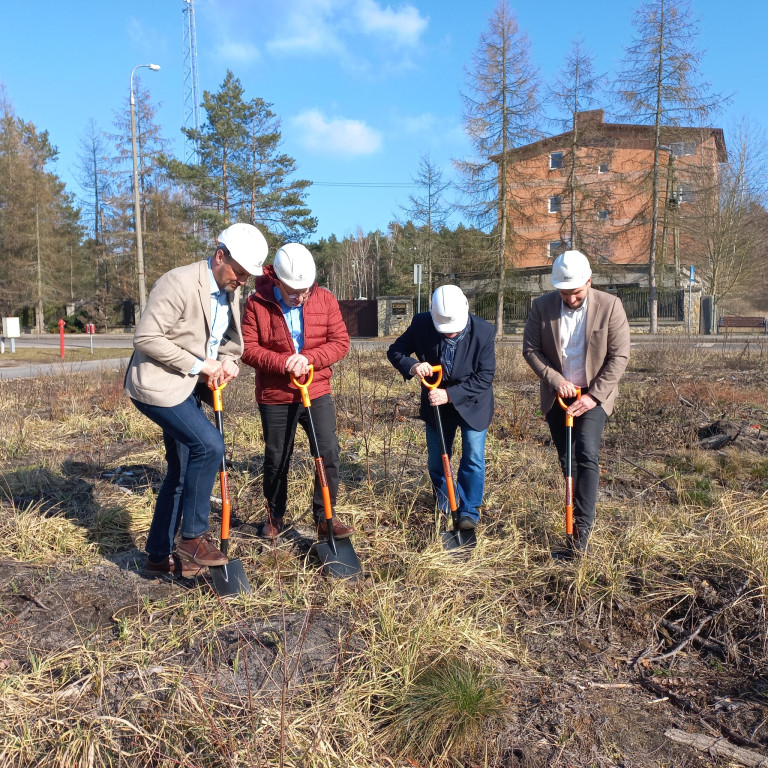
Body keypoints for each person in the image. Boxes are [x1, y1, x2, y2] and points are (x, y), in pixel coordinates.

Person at [124, 223, 268, 577]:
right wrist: (201, 365)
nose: (243, 282)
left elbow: (227, 340)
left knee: (182, 470)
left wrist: (229, 362)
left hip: (188, 387)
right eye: (239, 273)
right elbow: (146, 337)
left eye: (247, 276)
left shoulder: (230, 289)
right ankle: (192, 538)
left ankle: (158, 557)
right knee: (210, 445)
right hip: (158, 386)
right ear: (220, 256)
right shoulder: (178, 282)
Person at [240, 243, 353, 541]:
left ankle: (325, 517)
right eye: (293, 292)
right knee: (277, 457)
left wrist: (309, 359)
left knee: (328, 451)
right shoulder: (256, 304)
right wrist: (283, 363)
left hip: (316, 389)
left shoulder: (325, 299)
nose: (301, 298)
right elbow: (248, 349)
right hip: (275, 394)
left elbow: (340, 342)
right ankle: (275, 516)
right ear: (277, 280)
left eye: (305, 291)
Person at [523, 250, 630, 555]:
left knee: (586, 452)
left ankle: (581, 535)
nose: (570, 299)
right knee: (567, 459)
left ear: (589, 281)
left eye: (577, 293)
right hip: (558, 394)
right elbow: (530, 349)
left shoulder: (610, 306)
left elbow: (619, 356)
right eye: (564, 293)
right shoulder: (541, 307)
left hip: (594, 394)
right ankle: (572, 526)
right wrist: (556, 380)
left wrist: (593, 396)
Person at [387, 285, 496, 530]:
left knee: (473, 458)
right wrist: (414, 366)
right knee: (437, 460)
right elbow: (395, 351)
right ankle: (447, 504)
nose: (450, 333)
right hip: (436, 404)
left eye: (454, 328)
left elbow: (485, 377)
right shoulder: (421, 324)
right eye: (444, 329)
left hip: (472, 403)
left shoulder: (484, 331)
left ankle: (468, 512)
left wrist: (449, 394)